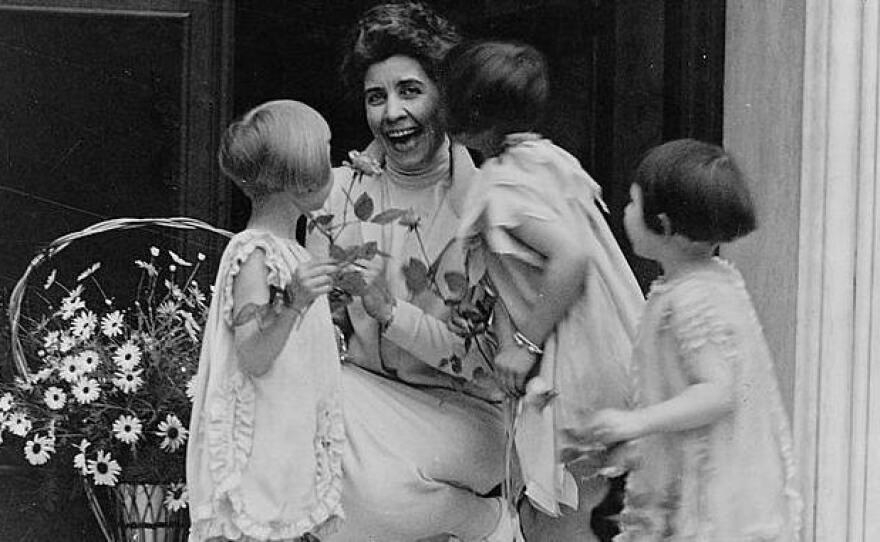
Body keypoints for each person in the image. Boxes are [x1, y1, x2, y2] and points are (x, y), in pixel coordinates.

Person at [307, 3, 513, 541]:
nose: (392, 112)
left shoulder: (486, 209)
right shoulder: (336, 197)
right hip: (364, 402)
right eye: (377, 97)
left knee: (368, 499)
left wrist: (390, 313)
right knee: (335, 469)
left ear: (444, 94)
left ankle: (485, 519)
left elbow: (491, 365)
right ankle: (478, 524)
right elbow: (316, 337)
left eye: (410, 91)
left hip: (465, 416)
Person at [442, 40, 645, 541]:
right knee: (574, 500)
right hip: (607, 346)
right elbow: (522, 264)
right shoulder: (547, 161)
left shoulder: (500, 185)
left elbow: (570, 257)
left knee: (558, 512)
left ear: (468, 113)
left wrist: (525, 343)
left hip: (573, 361)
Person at [588, 139, 803, 540]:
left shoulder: (693, 298)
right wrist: (640, 443)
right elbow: (675, 388)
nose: (626, 211)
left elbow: (718, 392)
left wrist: (636, 421)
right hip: (690, 482)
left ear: (665, 225)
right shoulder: (702, 283)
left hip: (709, 505)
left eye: (633, 203)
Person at [187, 100, 344, 542]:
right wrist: (294, 303)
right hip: (260, 446)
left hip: (288, 439)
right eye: (326, 156)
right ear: (301, 176)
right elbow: (253, 355)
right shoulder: (253, 252)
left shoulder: (293, 251)